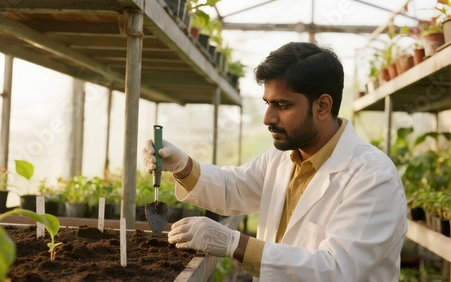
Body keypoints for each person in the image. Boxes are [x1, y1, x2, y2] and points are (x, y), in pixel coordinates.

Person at [142, 42, 407, 281]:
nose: (268, 118)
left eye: (282, 105)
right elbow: (232, 188)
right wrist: (181, 165)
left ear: (323, 106)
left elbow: (336, 270)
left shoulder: (372, 177)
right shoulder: (283, 157)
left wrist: (236, 244)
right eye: (267, 103)